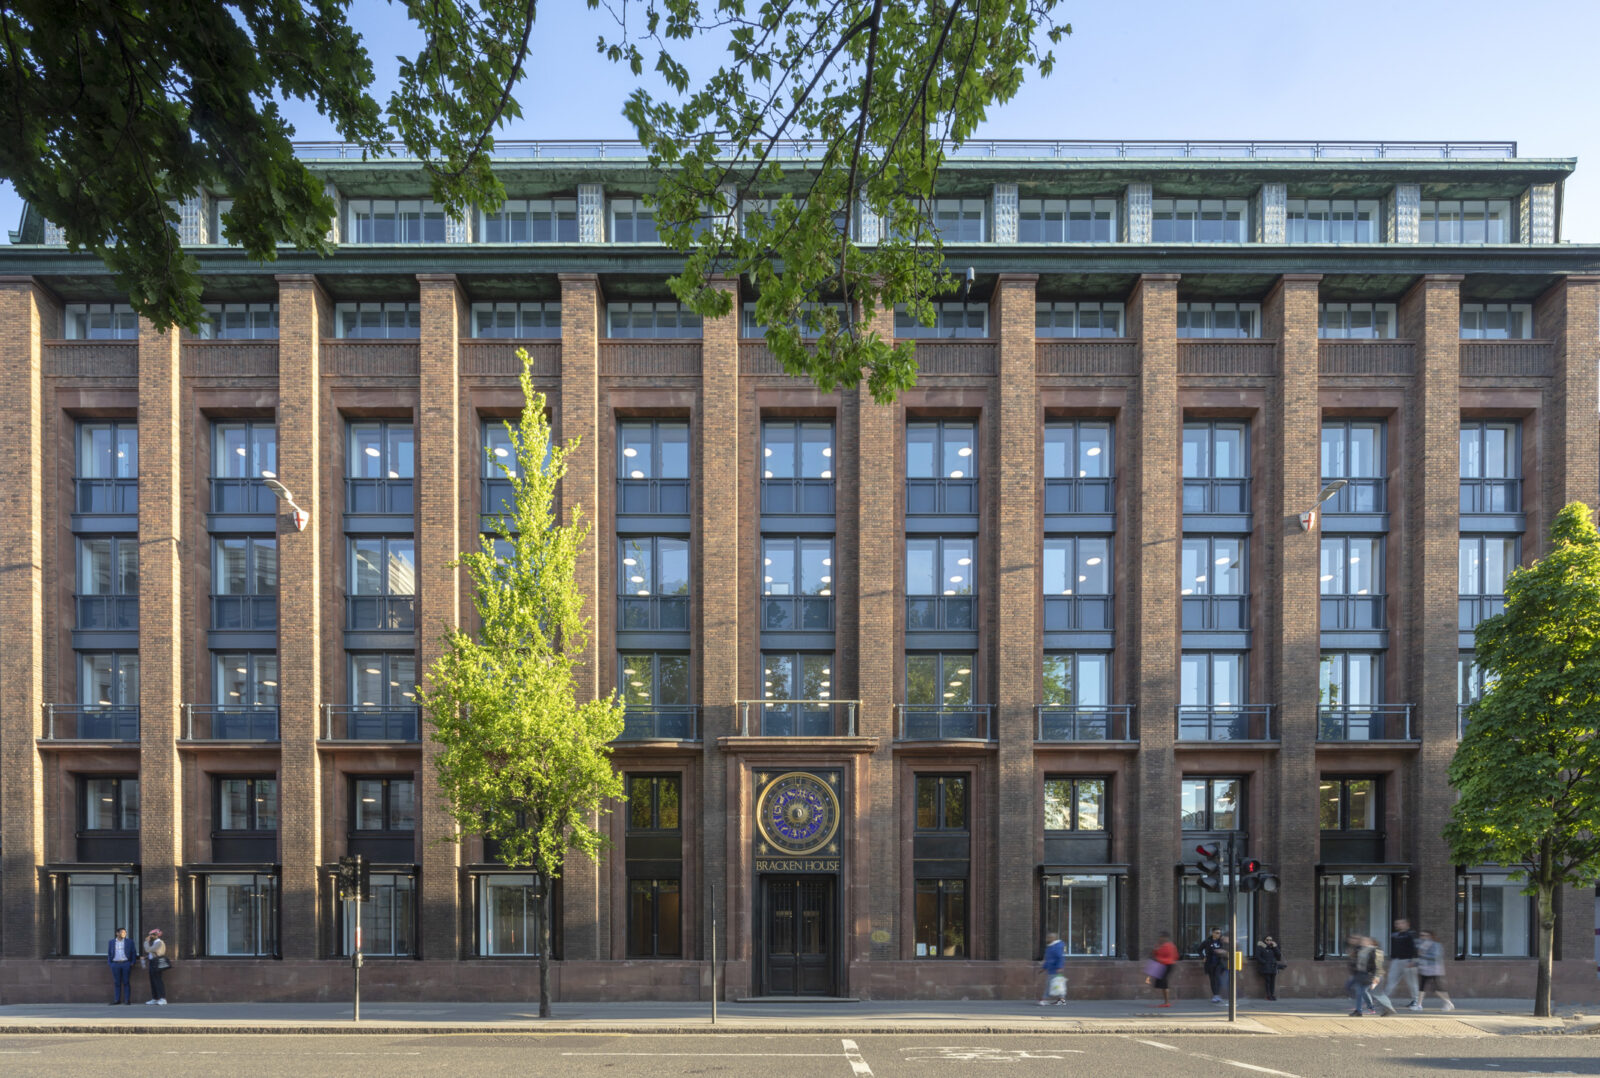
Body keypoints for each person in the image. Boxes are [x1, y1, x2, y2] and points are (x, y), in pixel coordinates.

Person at [1415, 929, 1455, 1011]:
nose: (1422, 937)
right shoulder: (1421, 944)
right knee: (1422, 987)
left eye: (1424, 935)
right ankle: (1419, 1005)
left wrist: (1423, 955)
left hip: (1434, 969)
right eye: (1421, 935)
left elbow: (1436, 956)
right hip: (1424, 969)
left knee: (1437, 988)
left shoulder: (1436, 945)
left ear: (1429, 936)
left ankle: (1448, 1003)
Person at [1387, 918, 1420, 1008]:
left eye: (1401, 923)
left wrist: (1412, 960)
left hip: (1409, 961)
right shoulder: (1394, 935)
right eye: (1397, 923)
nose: (1398, 925)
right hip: (1396, 960)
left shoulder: (1412, 934)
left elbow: (1415, 948)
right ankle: (1384, 1000)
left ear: (1407, 924)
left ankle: (1416, 1001)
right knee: (1391, 981)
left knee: (1412, 982)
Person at [1362, 935, 1398, 1016]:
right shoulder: (1369, 951)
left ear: (1371, 942)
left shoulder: (1375, 951)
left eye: (1365, 941)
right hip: (1374, 975)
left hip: (1376, 976)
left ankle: (1385, 1008)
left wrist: (1376, 977)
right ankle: (1387, 1009)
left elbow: (1378, 965)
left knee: (1372, 992)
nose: (1363, 942)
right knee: (1377, 993)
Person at [1146, 932, 1180, 1007]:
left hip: (1166, 965)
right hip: (1165, 965)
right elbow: (1176, 956)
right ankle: (1164, 1001)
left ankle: (1166, 1002)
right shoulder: (1169, 945)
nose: (1160, 938)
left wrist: (1156, 951)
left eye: (1161, 937)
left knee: (1163, 983)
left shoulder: (1167, 946)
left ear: (1165, 938)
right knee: (1161, 982)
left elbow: (1158, 954)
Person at [106, 927, 136, 1005]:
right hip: (115, 964)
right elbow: (109, 953)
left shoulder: (129, 942)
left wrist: (132, 962)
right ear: (117, 933)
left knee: (126, 982)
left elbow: (133, 952)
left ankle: (127, 1000)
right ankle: (117, 1000)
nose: (124, 934)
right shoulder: (111, 942)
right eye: (122, 932)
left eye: (125, 933)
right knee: (117, 982)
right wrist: (110, 963)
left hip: (126, 963)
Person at [1038, 931, 1067, 1006]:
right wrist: (1044, 968)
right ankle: (1061, 1000)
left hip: (1055, 968)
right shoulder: (1051, 946)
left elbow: (1060, 957)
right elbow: (1048, 959)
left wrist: (1059, 967)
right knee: (1057, 984)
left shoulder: (1057, 946)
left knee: (1050, 984)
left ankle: (1043, 999)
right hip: (1052, 968)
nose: (1047, 939)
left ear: (1054, 938)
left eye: (1049, 937)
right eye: (1048, 937)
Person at [141, 928, 168, 1005]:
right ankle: (155, 998)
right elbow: (152, 953)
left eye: (152, 935)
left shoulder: (159, 942)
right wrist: (146, 957)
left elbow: (149, 950)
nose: (150, 936)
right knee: (153, 981)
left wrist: (146, 942)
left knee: (158, 981)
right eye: (150, 935)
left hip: (157, 963)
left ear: (156, 935)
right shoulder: (155, 942)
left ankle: (162, 998)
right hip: (152, 962)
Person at [1199, 928, 1227, 1003]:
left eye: (1219, 933)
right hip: (1210, 963)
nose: (1219, 934)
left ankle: (1217, 994)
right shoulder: (1207, 941)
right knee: (1212, 979)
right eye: (1217, 933)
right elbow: (1199, 949)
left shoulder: (1221, 941)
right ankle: (1215, 995)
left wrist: (1223, 952)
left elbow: (1227, 950)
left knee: (1217, 978)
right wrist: (1203, 957)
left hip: (1220, 963)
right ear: (1213, 933)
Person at [1254, 936, 1284, 1001]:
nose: (1269, 941)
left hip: (1273, 967)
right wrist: (1264, 962)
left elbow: (1279, 956)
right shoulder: (1260, 947)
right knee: (1268, 981)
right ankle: (1268, 995)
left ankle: (1272, 995)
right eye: (1267, 940)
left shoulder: (1273, 947)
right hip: (1265, 967)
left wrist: (1275, 947)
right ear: (1265, 940)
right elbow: (1257, 956)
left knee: (1273, 982)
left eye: (1270, 940)